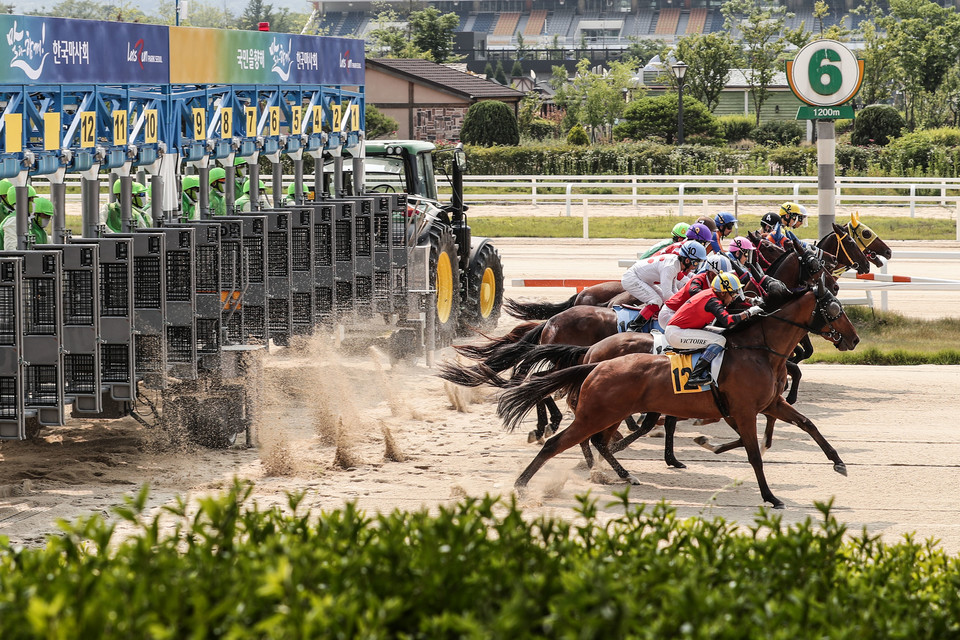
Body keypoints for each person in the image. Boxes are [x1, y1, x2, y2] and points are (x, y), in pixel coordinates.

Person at [665, 273, 763, 389]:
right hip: (677, 333)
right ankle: (695, 376)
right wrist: (748, 313)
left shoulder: (714, 295)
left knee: (724, 334)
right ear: (723, 292)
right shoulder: (712, 301)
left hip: (683, 329)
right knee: (719, 340)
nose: (734, 297)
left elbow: (732, 299)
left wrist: (750, 301)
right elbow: (728, 321)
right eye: (733, 293)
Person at [621, 240, 706, 330]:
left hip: (641, 278)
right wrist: (684, 306)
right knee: (656, 300)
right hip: (632, 278)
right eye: (696, 263)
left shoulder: (676, 264)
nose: (695, 267)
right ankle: (633, 327)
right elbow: (667, 294)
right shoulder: (670, 267)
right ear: (687, 260)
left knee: (661, 299)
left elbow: (674, 290)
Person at [658, 253, 732, 328]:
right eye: (724, 277)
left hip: (683, 315)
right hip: (670, 314)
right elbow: (694, 292)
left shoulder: (715, 283)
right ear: (712, 274)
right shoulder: (697, 280)